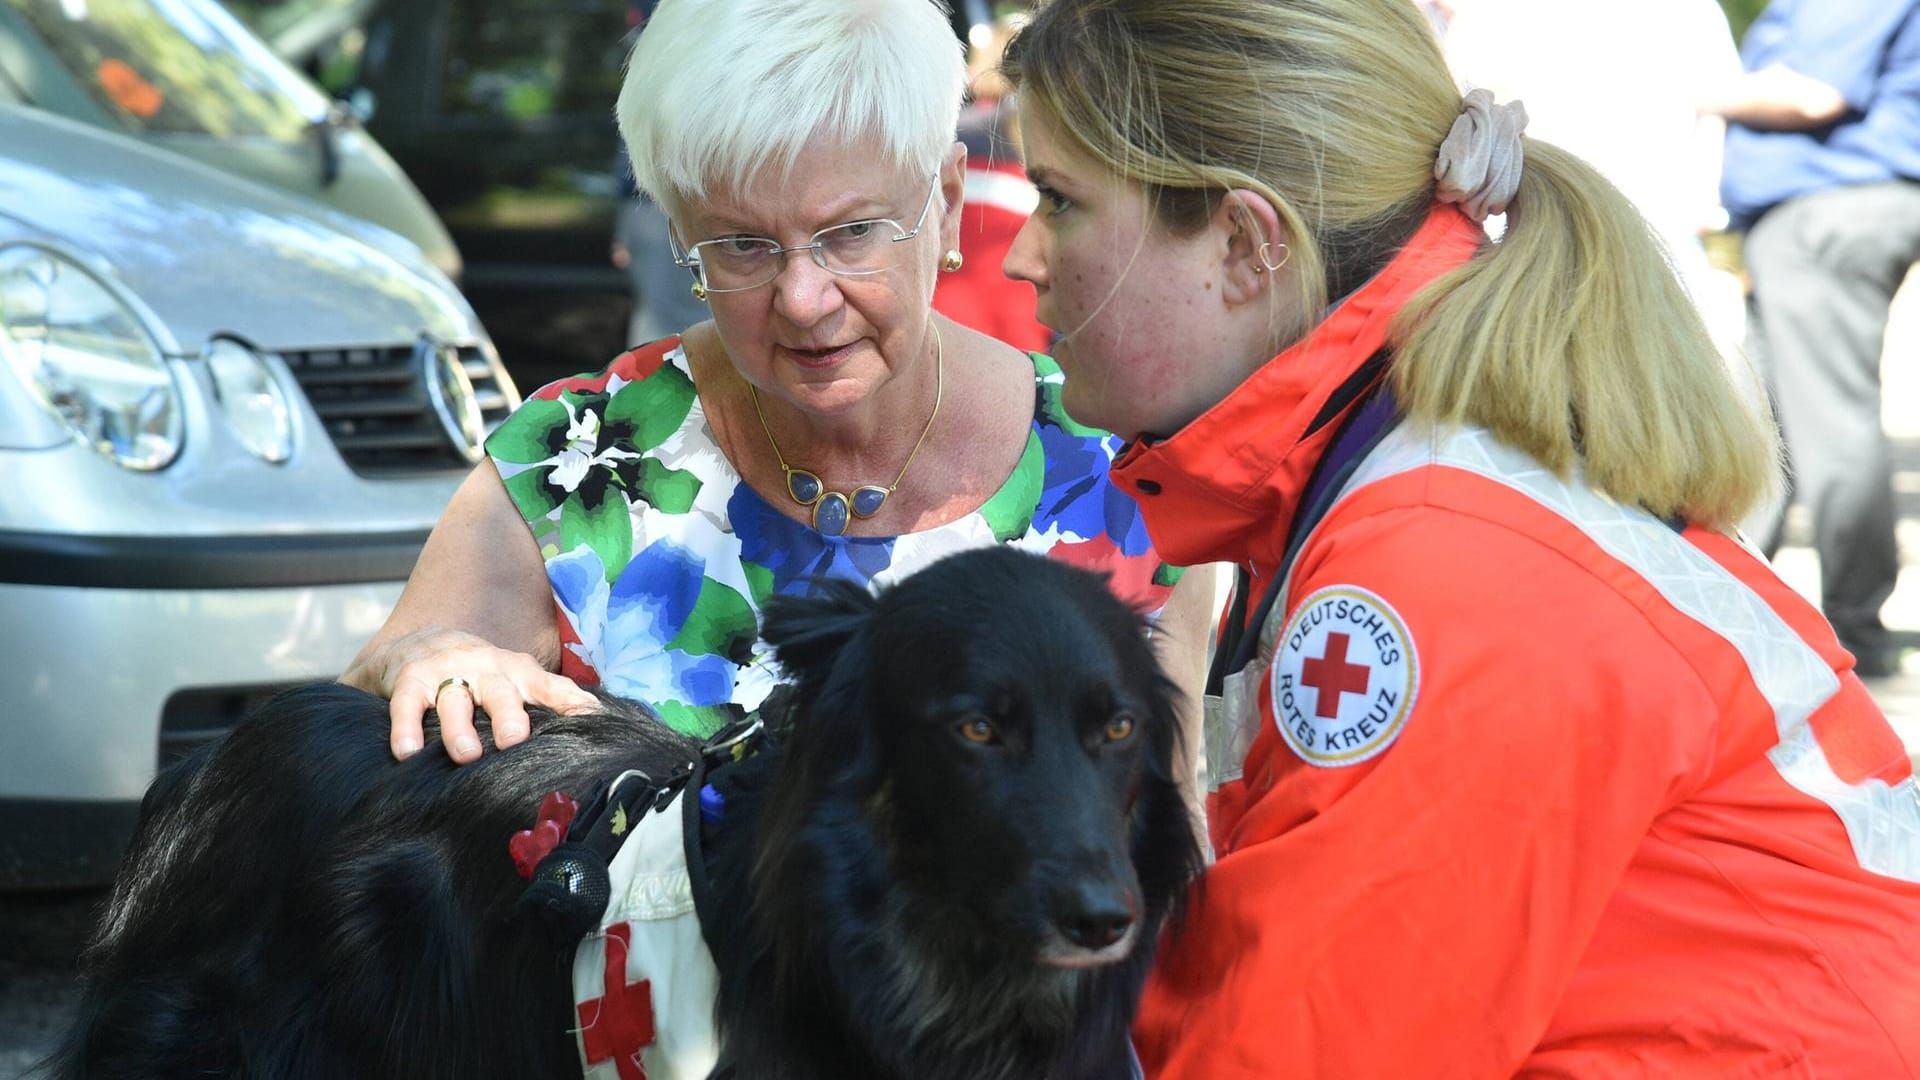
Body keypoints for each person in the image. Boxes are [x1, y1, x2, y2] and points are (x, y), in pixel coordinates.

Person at [998, 0, 1920, 1074]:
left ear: (1247, 244)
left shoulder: (1440, 563)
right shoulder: (1410, 468)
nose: (1022, 257)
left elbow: (1308, 1051)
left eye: (1060, 202)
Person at [340, 0, 1213, 759]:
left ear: (945, 200)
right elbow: (354, 747)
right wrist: (417, 661)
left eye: (852, 232)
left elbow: (1170, 863)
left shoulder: (1126, 472)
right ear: (681, 235)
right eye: (743, 244)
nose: (802, 299)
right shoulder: (573, 469)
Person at [1702, 0, 1920, 680]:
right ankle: (1721, 603)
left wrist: (1676, 87)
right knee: (1764, 429)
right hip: (1818, 212)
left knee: (1827, 424)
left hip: (1830, 208)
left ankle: (1856, 627)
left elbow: (1816, 91)